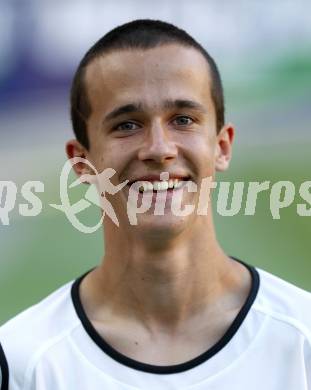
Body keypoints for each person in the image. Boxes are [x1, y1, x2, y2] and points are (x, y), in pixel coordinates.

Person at [0, 19, 310, 390]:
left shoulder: (302, 339)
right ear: (82, 164)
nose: (160, 149)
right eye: (127, 125)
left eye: (183, 119)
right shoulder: (21, 360)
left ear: (222, 146)